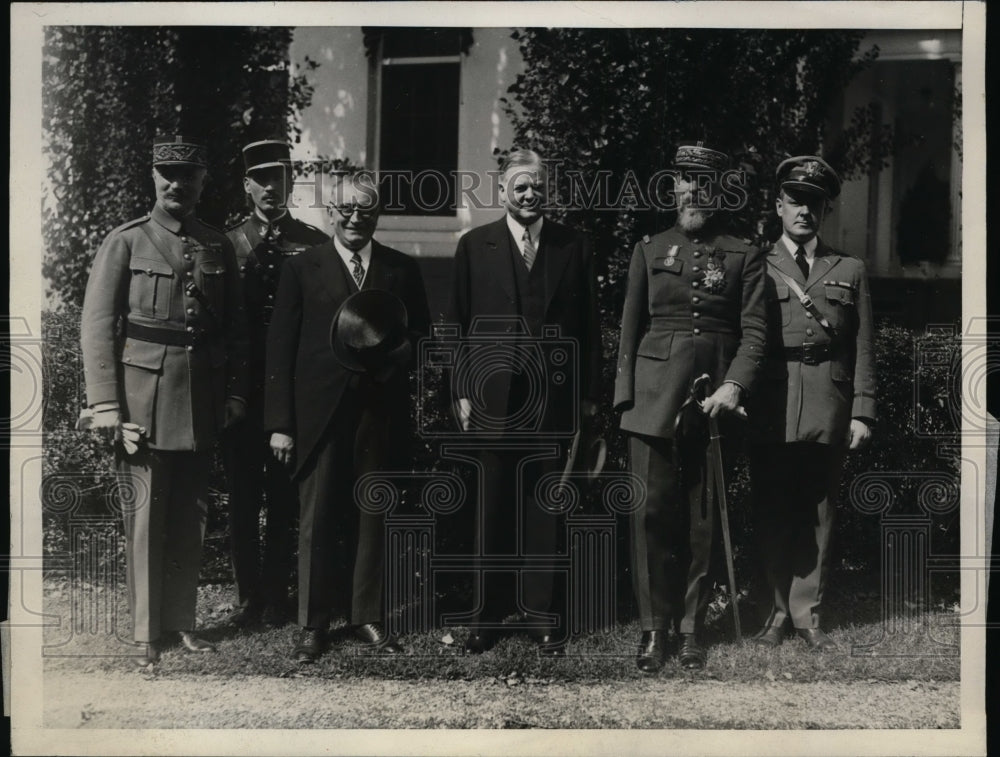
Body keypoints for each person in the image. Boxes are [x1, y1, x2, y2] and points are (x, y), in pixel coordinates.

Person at [80, 135, 249, 665]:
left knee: (190, 517)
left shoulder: (216, 243)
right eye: (167, 173)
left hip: (200, 394)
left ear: (203, 182)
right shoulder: (126, 241)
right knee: (146, 516)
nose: (177, 183)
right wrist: (106, 406)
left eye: (188, 175)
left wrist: (237, 393)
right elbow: (98, 325)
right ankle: (144, 634)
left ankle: (181, 623)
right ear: (153, 177)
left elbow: (237, 330)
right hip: (143, 397)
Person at [265, 170, 430, 663]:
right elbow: (280, 349)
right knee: (317, 518)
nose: (357, 217)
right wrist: (280, 422)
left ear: (378, 214)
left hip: (378, 411)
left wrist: (395, 356)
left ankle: (366, 615)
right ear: (330, 213)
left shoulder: (401, 269)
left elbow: (420, 337)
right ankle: (313, 624)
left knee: (373, 511)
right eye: (347, 209)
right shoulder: (302, 268)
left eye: (367, 209)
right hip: (318, 413)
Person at [614, 143, 767, 672]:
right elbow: (629, 331)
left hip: (715, 402)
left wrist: (735, 386)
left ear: (720, 192)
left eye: (704, 184)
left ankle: (691, 628)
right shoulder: (649, 248)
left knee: (703, 520)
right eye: (685, 182)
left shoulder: (743, 254)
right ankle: (653, 630)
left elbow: (755, 334)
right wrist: (624, 400)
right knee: (650, 515)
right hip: (653, 398)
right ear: (674, 189)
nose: (693, 193)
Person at [448, 148, 602, 656]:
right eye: (520, 186)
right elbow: (455, 326)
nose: (529, 194)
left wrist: (587, 398)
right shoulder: (474, 246)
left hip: (552, 400)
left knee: (544, 506)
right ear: (503, 191)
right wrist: (462, 389)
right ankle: (486, 617)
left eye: (537, 186)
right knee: (491, 506)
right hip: (493, 397)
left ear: (546, 190)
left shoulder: (572, 246)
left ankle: (541, 614)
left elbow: (589, 332)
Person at [748, 155, 875, 651]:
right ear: (778, 206)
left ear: (824, 211)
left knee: (819, 509)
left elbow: (863, 344)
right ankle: (776, 612)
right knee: (773, 506)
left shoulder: (850, 268)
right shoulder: (757, 264)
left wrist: (863, 409)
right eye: (795, 200)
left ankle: (809, 613)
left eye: (814, 203)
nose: (804, 211)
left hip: (829, 398)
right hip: (773, 400)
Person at [222, 140, 328, 628]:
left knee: (286, 497)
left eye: (279, 177)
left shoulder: (312, 242)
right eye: (260, 179)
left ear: (290, 181)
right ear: (247, 186)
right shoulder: (227, 244)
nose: (270, 187)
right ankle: (248, 597)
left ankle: (279, 593)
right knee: (243, 495)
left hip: (291, 390)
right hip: (244, 391)